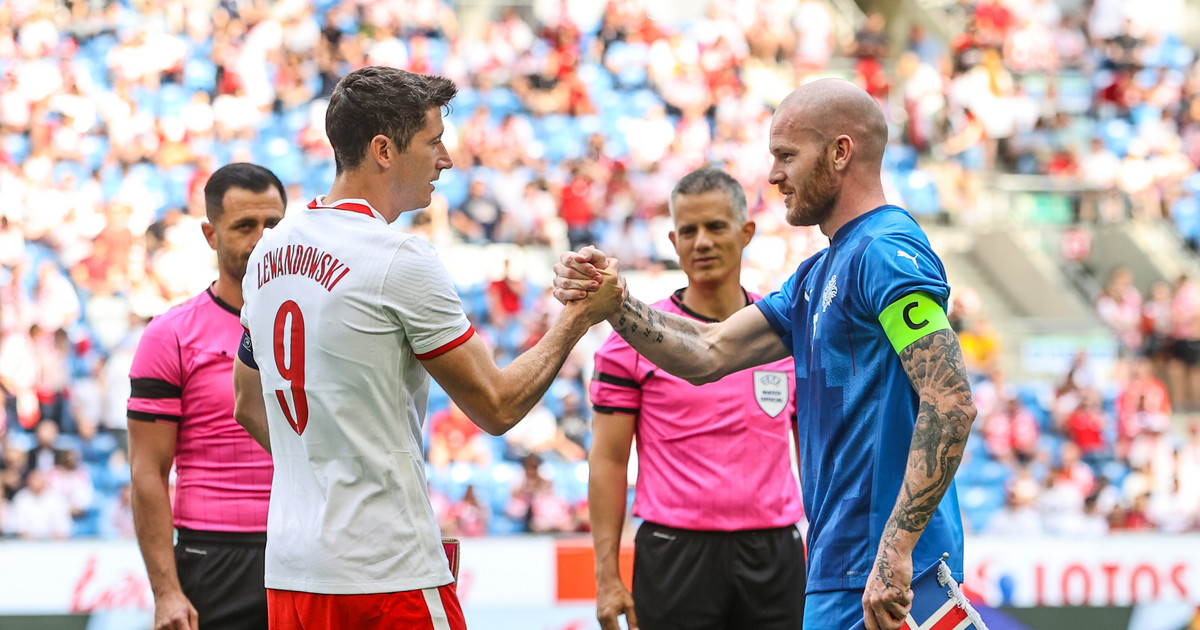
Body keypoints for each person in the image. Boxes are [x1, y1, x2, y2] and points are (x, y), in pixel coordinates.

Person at [555, 79, 978, 630]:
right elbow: (705, 352)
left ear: (840, 152)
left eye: (786, 155)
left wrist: (897, 550)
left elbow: (951, 402)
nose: (774, 174)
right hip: (839, 571)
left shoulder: (886, 251)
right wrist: (617, 303)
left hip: (893, 581)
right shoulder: (815, 277)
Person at [231, 66, 620, 630]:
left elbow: (246, 401)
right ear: (384, 149)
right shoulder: (399, 259)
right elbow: (498, 405)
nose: (447, 160)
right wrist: (580, 316)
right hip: (386, 572)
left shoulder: (267, 254)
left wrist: (328, 469)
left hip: (292, 572)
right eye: (434, 142)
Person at [589, 167, 805, 630]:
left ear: (746, 232)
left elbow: (815, 453)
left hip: (775, 552)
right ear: (673, 241)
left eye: (715, 226)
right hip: (674, 552)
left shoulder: (787, 334)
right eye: (688, 230)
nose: (701, 241)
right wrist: (607, 576)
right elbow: (608, 461)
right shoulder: (633, 339)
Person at [128, 163, 286, 630]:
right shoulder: (170, 335)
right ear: (210, 234)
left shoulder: (318, 324)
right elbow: (147, 472)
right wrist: (167, 592)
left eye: (274, 225)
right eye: (245, 225)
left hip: (310, 547)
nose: (262, 238)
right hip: (214, 556)